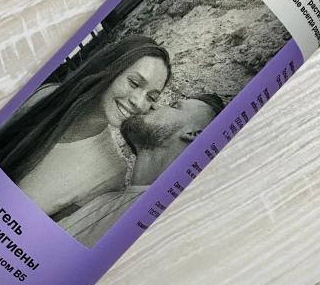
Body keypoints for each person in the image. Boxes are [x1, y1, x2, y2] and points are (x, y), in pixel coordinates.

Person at [0, 35, 171, 221]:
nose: (139, 102)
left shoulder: (112, 172)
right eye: (134, 83)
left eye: (151, 97)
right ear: (110, 68)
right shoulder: (44, 97)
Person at [58, 93, 225, 245]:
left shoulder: (169, 224)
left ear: (194, 135)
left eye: (174, 106)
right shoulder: (102, 199)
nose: (154, 105)